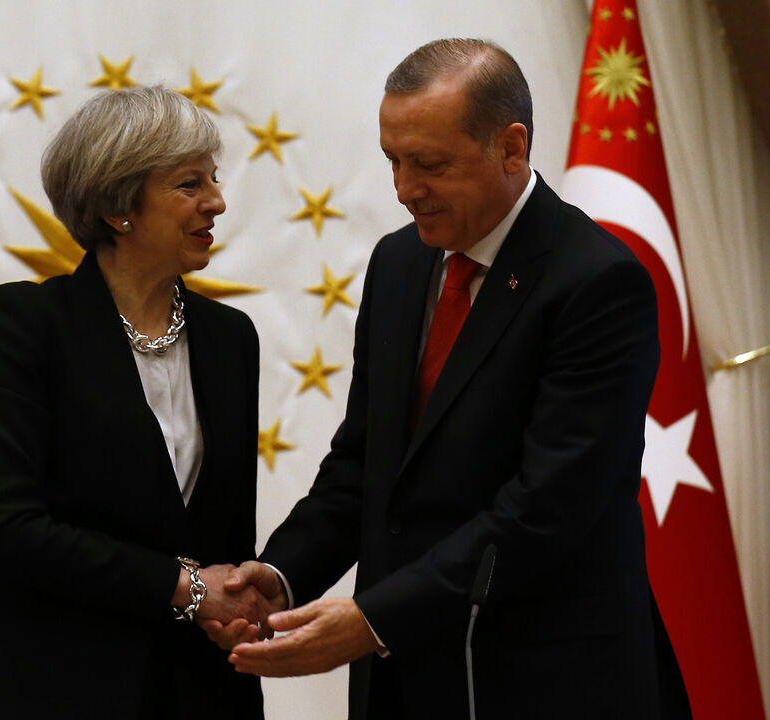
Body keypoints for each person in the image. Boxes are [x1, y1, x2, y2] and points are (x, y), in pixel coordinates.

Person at [205, 39, 690, 718]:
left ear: (511, 148)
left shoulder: (597, 281)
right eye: (393, 162)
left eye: (429, 165)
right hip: (408, 679)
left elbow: (549, 505)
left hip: (548, 678)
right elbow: (368, 465)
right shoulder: (400, 263)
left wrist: (373, 618)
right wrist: (282, 575)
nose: (405, 190)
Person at [0, 86, 271, 719]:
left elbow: (221, 538)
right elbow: (6, 528)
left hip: (191, 692)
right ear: (120, 206)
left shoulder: (231, 340)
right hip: (43, 683)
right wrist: (183, 587)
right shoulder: (27, 325)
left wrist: (239, 606)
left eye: (213, 181)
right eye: (190, 185)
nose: (217, 202)